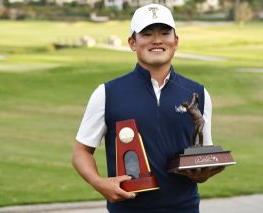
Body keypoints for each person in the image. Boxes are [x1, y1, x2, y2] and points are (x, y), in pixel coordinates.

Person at [72, 3, 224, 213]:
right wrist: (99, 182)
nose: (157, 40)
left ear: (176, 41)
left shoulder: (197, 93)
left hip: (184, 208)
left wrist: (203, 172)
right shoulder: (107, 93)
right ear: (132, 43)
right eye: (147, 34)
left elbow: (203, 152)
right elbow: (81, 152)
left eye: (165, 32)